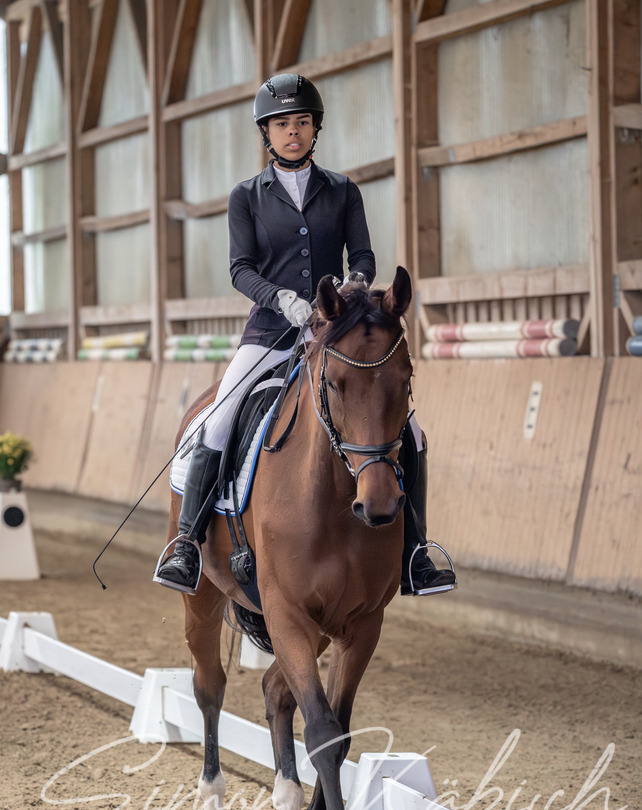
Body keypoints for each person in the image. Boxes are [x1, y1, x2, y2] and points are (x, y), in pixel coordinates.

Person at [155, 73, 455, 598]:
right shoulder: (246, 196)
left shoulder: (342, 190)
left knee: (411, 432)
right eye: (281, 125)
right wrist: (284, 301)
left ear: (315, 128)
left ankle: (416, 552)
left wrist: (354, 284)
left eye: (301, 122)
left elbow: (361, 255)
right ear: (265, 134)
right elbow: (240, 269)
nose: (292, 132)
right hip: (270, 331)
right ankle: (186, 542)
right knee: (220, 418)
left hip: (337, 333)